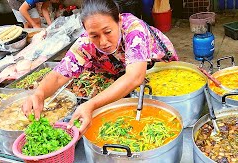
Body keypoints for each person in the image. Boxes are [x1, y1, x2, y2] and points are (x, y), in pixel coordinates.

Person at [22, 0, 178, 134]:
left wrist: (91, 104)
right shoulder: (85, 43)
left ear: (119, 21)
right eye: (94, 35)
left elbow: (134, 77)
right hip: (125, 70)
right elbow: (58, 75)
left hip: (157, 67)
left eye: (108, 32)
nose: (103, 41)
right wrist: (39, 94)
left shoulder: (134, 29)